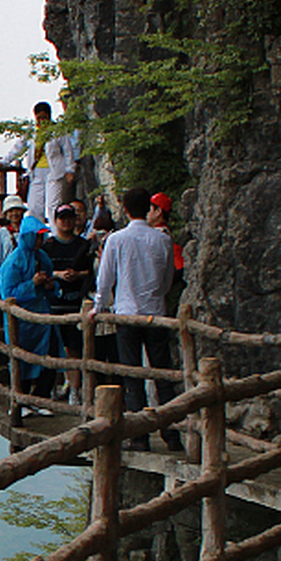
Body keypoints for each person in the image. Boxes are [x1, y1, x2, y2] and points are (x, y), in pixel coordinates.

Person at [94, 187, 181, 449]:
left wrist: (98, 307)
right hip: (156, 314)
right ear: (149, 208)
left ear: (126, 208)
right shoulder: (162, 240)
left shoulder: (117, 240)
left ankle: (139, 436)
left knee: (132, 375)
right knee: (162, 374)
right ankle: (172, 434)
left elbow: (105, 279)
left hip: (127, 314)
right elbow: (167, 280)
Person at [0, 212, 62, 402]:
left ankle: (42, 398)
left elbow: (52, 287)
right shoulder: (12, 262)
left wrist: (51, 286)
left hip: (43, 316)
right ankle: (21, 401)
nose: (40, 240)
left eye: (42, 236)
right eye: (37, 236)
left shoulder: (43, 258)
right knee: (21, 361)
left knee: (51, 357)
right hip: (22, 322)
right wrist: (32, 283)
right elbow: (8, 293)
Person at [43, 201, 99, 405]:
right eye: (62, 218)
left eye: (69, 218)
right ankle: (54, 388)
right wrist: (58, 274)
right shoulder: (48, 246)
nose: (66, 222)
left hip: (76, 304)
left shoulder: (83, 246)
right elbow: (42, 271)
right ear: (56, 221)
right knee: (52, 348)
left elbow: (93, 273)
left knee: (74, 348)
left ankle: (74, 390)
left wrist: (77, 274)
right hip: (54, 305)